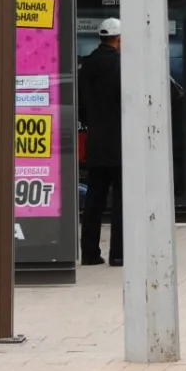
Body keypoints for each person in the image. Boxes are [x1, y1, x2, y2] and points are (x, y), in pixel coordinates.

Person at [78, 18, 124, 266]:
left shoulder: (87, 64)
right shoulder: (121, 64)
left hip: (96, 141)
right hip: (120, 142)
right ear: (118, 39)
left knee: (95, 199)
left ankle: (89, 253)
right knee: (121, 200)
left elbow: (82, 105)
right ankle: (118, 254)